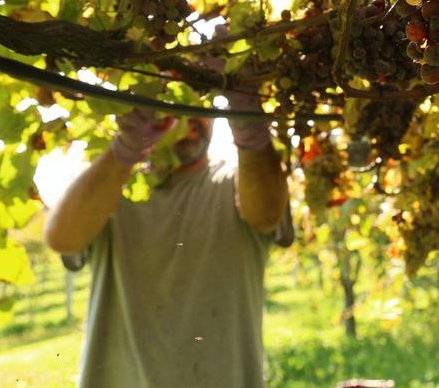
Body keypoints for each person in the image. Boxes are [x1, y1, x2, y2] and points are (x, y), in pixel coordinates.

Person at [44, 92, 290, 388]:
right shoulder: (112, 188)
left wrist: (250, 126)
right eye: (172, 100)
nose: (190, 116)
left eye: (199, 100)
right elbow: (62, 238)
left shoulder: (239, 183)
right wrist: (125, 150)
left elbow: (266, 214)